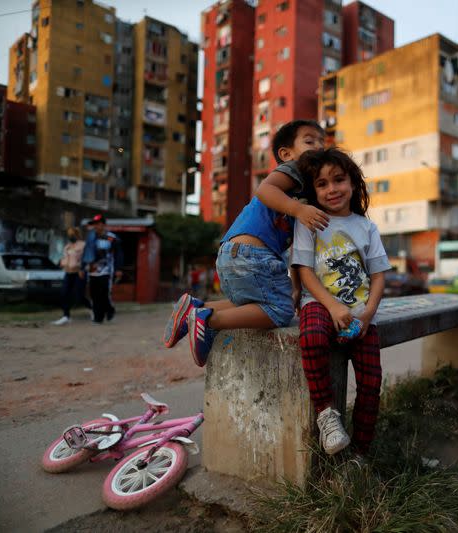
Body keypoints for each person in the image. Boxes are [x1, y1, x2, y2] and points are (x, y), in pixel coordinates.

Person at [162, 120, 329, 366]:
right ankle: (208, 319)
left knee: (252, 305)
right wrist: (297, 209)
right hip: (253, 253)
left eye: (322, 142)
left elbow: (297, 251)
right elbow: (264, 189)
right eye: (309, 141)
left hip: (234, 253)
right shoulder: (295, 170)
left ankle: (196, 308)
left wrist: (295, 288)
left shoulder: (305, 196)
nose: (319, 147)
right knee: (280, 311)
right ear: (286, 153)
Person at [292, 148, 391, 457]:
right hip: (318, 303)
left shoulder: (366, 227)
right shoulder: (310, 222)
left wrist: (367, 314)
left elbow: (377, 276)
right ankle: (326, 415)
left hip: (360, 313)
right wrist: (332, 307)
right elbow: (305, 272)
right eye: (322, 184)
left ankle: (360, 454)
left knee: (371, 383)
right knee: (310, 338)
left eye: (338, 180)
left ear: (353, 183)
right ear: (314, 190)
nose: (332, 189)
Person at [82, 214, 123, 324]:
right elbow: (85, 254)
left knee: (104, 293)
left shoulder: (110, 237)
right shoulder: (91, 238)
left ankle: (109, 310)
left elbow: (118, 253)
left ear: (103, 225)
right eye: (94, 224)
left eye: (98, 224)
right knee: (94, 294)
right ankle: (98, 317)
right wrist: (82, 268)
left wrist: (118, 269)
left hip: (106, 271)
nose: (96, 226)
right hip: (92, 271)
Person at [52, 227, 91, 325]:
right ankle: (66, 316)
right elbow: (66, 258)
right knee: (64, 293)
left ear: (77, 235)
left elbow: (87, 258)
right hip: (68, 272)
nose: (70, 236)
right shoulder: (67, 246)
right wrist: (62, 263)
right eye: (69, 234)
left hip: (79, 272)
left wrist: (83, 269)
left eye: (72, 234)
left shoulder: (83, 245)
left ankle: (92, 309)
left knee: (79, 295)